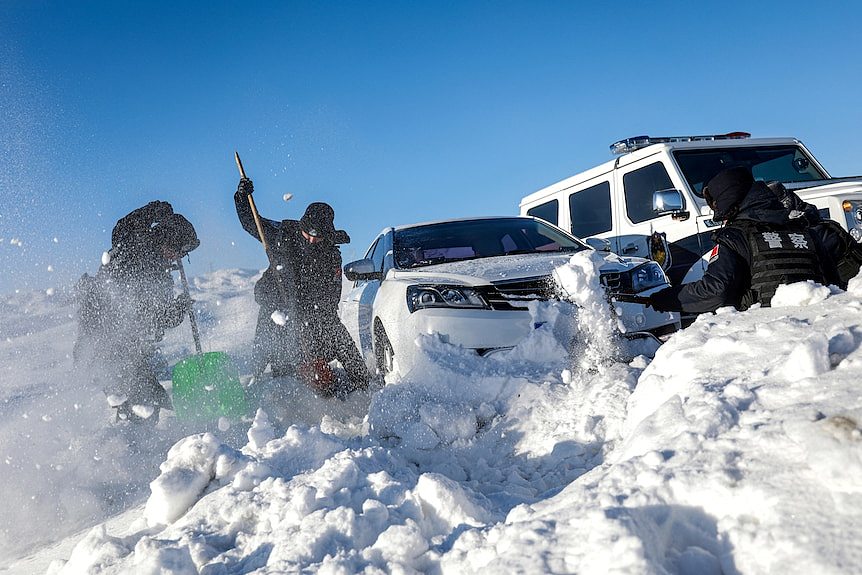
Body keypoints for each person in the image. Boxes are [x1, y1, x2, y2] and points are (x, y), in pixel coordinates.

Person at [647, 166, 862, 314]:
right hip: (818, 325)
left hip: (762, 331)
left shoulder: (735, 236)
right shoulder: (805, 228)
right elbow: (835, 283)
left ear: (726, 201)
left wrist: (665, 298)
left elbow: (716, 291)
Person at [233, 178, 370, 396]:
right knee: (271, 353)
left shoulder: (330, 254)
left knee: (342, 345)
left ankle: (366, 389)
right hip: (277, 306)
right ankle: (264, 394)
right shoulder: (283, 234)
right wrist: (242, 198)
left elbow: (331, 296)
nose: (312, 240)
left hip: (313, 310)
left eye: (319, 237)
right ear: (302, 227)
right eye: (309, 234)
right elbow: (252, 222)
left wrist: (316, 330)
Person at [74, 201, 200, 424]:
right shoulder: (134, 244)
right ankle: (120, 446)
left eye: (184, 252)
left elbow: (158, 319)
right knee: (136, 400)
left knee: (152, 400)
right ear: (166, 239)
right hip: (102, 340)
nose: (179, 256)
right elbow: (122, 227)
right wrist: (155, 209)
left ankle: (141, 443)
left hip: (126, 344)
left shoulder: (160, 276)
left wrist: (179, 308)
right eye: (179, 249)